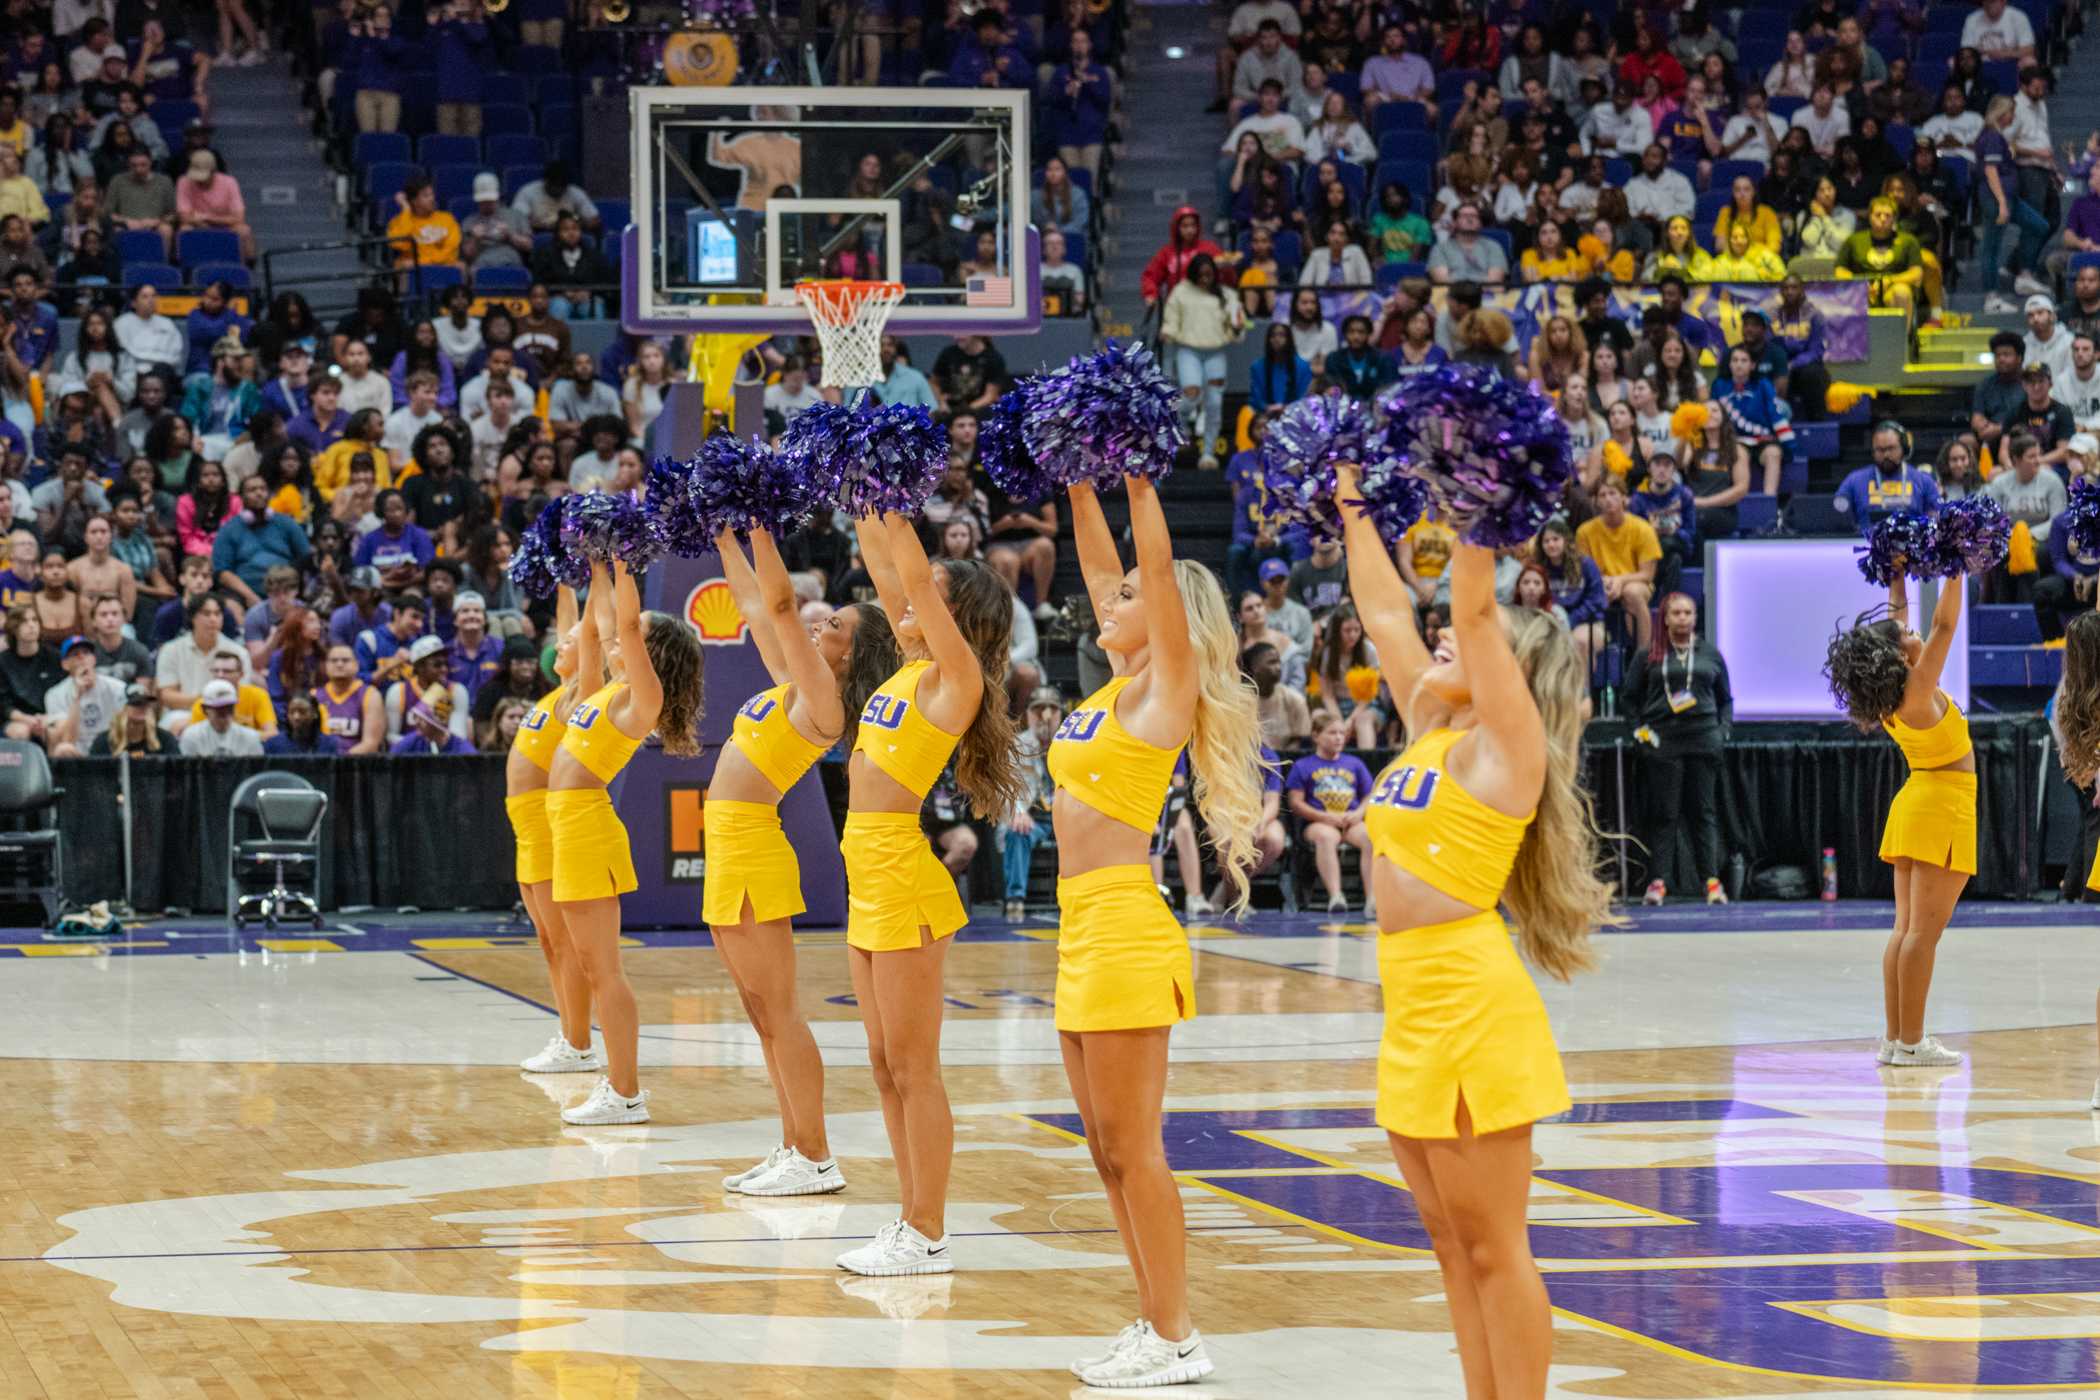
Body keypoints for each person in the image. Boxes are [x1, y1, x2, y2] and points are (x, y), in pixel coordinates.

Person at [1333, 462, 1612, 1399]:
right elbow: (1382, 612)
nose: (1442, 636)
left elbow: (1476, 613)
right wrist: (1347, 497)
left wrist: (1478, 501)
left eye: (1466, 636)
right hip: (1409, 1003)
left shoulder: (1507, 749)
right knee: (1452, 1246)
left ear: (1512, 674)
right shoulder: (1430, 726)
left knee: (1495, 1247)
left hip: (1471, 1009)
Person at [1049, 463, 1260, 1387]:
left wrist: (1137, 482)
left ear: (1167, 611)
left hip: (1127, 929)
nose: (1112, 596)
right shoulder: (1113, 685)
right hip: (1077, 928)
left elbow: (1155, 573)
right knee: (1103, 1149)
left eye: (1132, 593)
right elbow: (1105, 572)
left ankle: (1176, 1336)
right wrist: (1076, 480)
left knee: (1135, 1148)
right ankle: (1152, 1322)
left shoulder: (1163, 691)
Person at [833, 512, 1021, 1277]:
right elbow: (890, 573)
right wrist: (864, 500)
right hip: (868, 882)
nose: (910, 604)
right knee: (883, 1063)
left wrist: (897, 497)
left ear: (957, 618)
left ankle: (930, 1229)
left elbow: (910, 578)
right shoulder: (909, 669)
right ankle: (908, 1220)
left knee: (914, 1068)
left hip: (905, 882)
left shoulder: (955, 680)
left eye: (933, 599)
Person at [707, 525, 898, 1195]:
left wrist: (761, 525)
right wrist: (724, 534)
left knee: (779, 1008)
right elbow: (759, 608)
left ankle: (815, 1155)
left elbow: (784, 606)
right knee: (760, 1011)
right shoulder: (795, 681)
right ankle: (792, 1144)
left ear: (856, 651)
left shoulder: (826, 705)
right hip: (730, 847)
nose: (820, 625)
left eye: (836, 624)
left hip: (754, 847)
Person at [546, 557, 703, 1124]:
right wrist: (595, 568)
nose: (619, 637)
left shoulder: (642, 701)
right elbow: (598, 627)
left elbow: (627, 627)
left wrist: (624, 562)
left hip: (588, 829)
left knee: (602, 969)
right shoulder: (599, 694)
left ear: (650, 652)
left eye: (634, 636)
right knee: (591, 967)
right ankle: (620, 1085)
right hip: (568, 828)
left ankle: (626, 1091)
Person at [1823, 567, 1973, 1069]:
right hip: (1941, 805)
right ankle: (1912, 1043)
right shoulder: (1915, 690)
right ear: (1894, 654)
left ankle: (1895, 1040)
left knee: (1905, 929)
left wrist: (1897, 575)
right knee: (1922, 936)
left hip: (1916, 801)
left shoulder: (1895, 696)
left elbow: (1899, 620)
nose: (1911, 634)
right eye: (1905, 637)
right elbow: (1945, 627)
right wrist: (1957, 566)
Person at [507, 586, 601, 1074]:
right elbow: (571, 626)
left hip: (546, 823)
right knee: (547, 940)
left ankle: (578, 1042)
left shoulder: (578, 695)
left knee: (562, 941)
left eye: (570, 643)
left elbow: (585, 634)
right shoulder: (551, 692)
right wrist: (567, 578)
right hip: (528, 827)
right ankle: (569, 1034)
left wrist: (601, 571)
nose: (559, 644)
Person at [1623, 593, 1733, 905]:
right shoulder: (1649, 654)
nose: (1683, 618)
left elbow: (1726, 699)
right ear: (1666, 619)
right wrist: (1638, 732)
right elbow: (1629, 698)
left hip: (1703, 739)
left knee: (1703, 812)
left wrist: (1722, 731)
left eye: (1688, 612)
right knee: (1665, 814)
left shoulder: (1710, 653)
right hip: (1663, 741)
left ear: (1695, 618)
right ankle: (1658, 882)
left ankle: (1711, 883)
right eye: (1677, 613)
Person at [1284, 712, 1374, 915]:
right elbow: (1295, 803)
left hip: (1350, 820)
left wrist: (1359, 812)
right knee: (1326, 837)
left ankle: (1372, 899)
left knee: (1370, 836)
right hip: (1319, 822)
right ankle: (1336, 896)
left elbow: (1370, 795)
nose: (1339, 738)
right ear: (1316, 736)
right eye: (1332, 733)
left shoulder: (1355, 764)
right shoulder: (1303, 766)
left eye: (1342, 733)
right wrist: (1324, 817)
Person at [1162, 253, 1243, 470]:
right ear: (1194, 273)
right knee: (1191, 394)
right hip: (1188, 350)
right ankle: (1182, 430)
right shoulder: (1181, 291)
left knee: (1214, 402)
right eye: (1201, 274)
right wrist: (1168, 331)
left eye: (1209, 274)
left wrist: (1237, 327)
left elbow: (1237, 326)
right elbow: (1171, 317)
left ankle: (1208, 453)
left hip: (1216, 352)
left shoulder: (1226, 295)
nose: (1205, 278)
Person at [1576, 477, 1661, 653]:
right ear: (1596, 501)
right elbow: (1584, 572)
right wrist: (1604, 583)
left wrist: (1619, 581)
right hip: (1601, 583)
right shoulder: (1584, 531)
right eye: (1602, 495)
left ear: (1624, 497)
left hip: (1636, 582)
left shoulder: (1642, 528)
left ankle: (1644, 656)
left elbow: (1647, 575)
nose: (1608, 499)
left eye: (1613, 493)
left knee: (1632, 592)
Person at [179, 677, 264, 755]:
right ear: (205, 709)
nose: (225, 712)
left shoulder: (250, 737)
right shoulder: (191, 736)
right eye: (219, 708)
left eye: (229, 707)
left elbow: (258, 770)